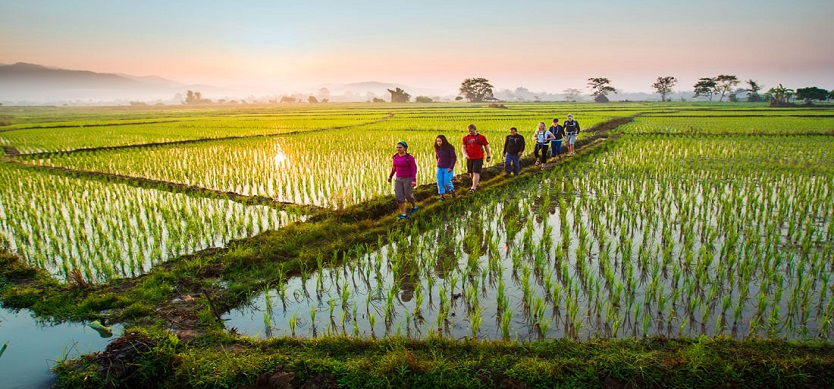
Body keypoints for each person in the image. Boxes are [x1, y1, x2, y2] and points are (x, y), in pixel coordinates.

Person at [387, 141, 418, 220]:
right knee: (399, 197)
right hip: (398, 179)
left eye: (400, 147)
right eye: (397, 147)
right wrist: (390, 176)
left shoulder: (409, 158)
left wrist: (414, 180)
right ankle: (404, 214)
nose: (398, 149)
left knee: (408, 195)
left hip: (408, 178)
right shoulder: (395, 157)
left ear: (405, 148)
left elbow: (413, 169)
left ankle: (414, 206)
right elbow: (394, 168)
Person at [462, 124, 491, 193]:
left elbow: (486, 146)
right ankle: (476, 184)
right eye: (469, 131)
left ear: (475, 130)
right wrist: (465, 154)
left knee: (476, 172)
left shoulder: (481, 137)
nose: (470, 132)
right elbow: (463, 147)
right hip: (469, 158)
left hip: (478, 157)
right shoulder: (465, 138)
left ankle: (473, 187)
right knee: (471, 172)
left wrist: (488, 155)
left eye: (471, 131)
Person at [434, 135, 457, 200]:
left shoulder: (449, 147)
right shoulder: (437, 148)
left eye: (440, 141)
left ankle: (452, 190)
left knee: (446, 182)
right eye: (437, 141)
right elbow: (437, 157)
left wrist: (451, 167)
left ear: (443, 141)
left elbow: (453, 158)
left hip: (447, 168)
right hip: (439, 168)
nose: (439, 143)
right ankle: (442, 196)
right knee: (439, 182)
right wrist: (437, 164)